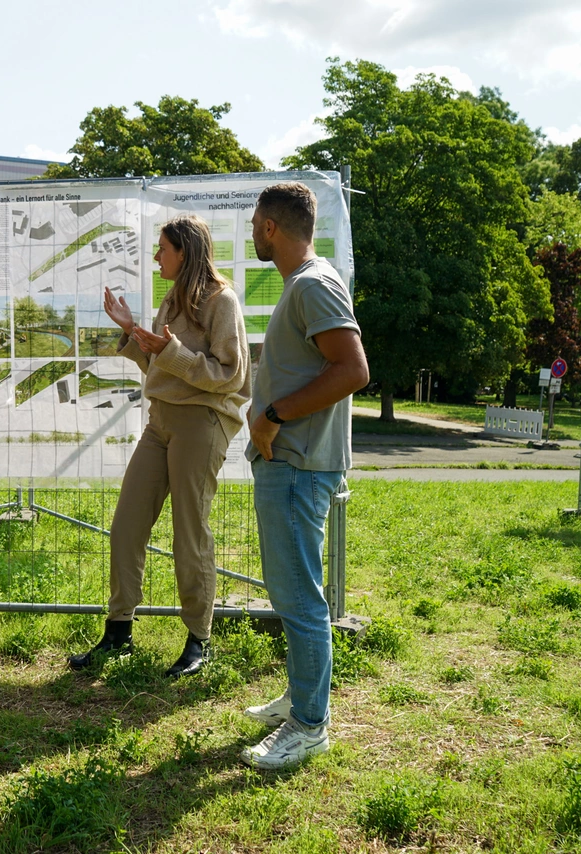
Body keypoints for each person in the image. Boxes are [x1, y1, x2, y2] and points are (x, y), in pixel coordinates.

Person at [67, 214, 250, 679]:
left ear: (184, 252)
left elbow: (229, 374)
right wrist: (133, 332)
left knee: (190, 533)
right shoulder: (171, 301)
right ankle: (119, 632)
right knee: (127, 524)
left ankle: (199, 640)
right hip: (161, 421)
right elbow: (160, 368)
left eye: (163, 249)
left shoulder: (221, 301)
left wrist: (169, 352)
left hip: (200, 424)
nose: (156, 257)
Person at [240, 183, 370, 770]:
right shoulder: (304, 282)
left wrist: (271, 416)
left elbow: (353, 370)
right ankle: (302, 695)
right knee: (293, 593)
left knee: (300, 600)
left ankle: (310, 724)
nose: (250, 232)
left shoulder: (313, 282)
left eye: (253, 223)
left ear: (270, 227)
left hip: (295, 463)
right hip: (287, 462)